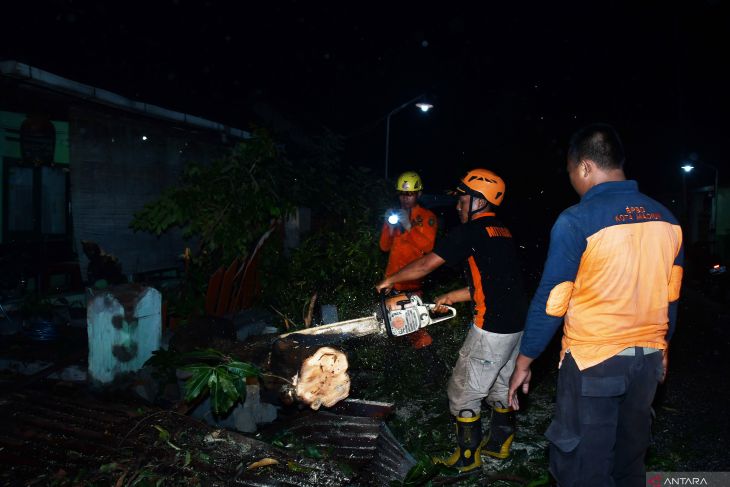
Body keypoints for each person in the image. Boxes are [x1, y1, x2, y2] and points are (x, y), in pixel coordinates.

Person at [508, 123, 684, 486]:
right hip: (647, 362)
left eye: (572, 172)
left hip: (593, 362)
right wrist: (663, 348)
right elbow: (672, 295)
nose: (573, 180)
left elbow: (554, 298)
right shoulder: (667, 219)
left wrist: (525, 359)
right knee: (629, 462)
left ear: (585, 167)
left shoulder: (576, 220)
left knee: (584, 469)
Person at [376, 168, 527, 472]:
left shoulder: (471, 231)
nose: (457, 205)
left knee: (462, 391)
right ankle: (500, 443)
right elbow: (495, 282)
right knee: (500, 385)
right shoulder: (502, 230)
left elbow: (425, 265)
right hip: (516, 326)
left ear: (479, 202)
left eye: (462, 199)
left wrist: (390, 279)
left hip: (492, 327)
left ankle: (467, 457)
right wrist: (452, 296)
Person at [379, 171, 440, 366]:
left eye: (410, 194)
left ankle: (433, 371)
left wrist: (408, 227)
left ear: (418, 194)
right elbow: (384, 246)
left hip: (411, 284)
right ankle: (395, 372)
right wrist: (389, 226)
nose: (405, 198)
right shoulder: (396, 215)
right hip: (391, 283)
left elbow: (427, 247)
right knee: (391, 329)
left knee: (415, 329)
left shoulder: (427, 217)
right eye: (402, 194)